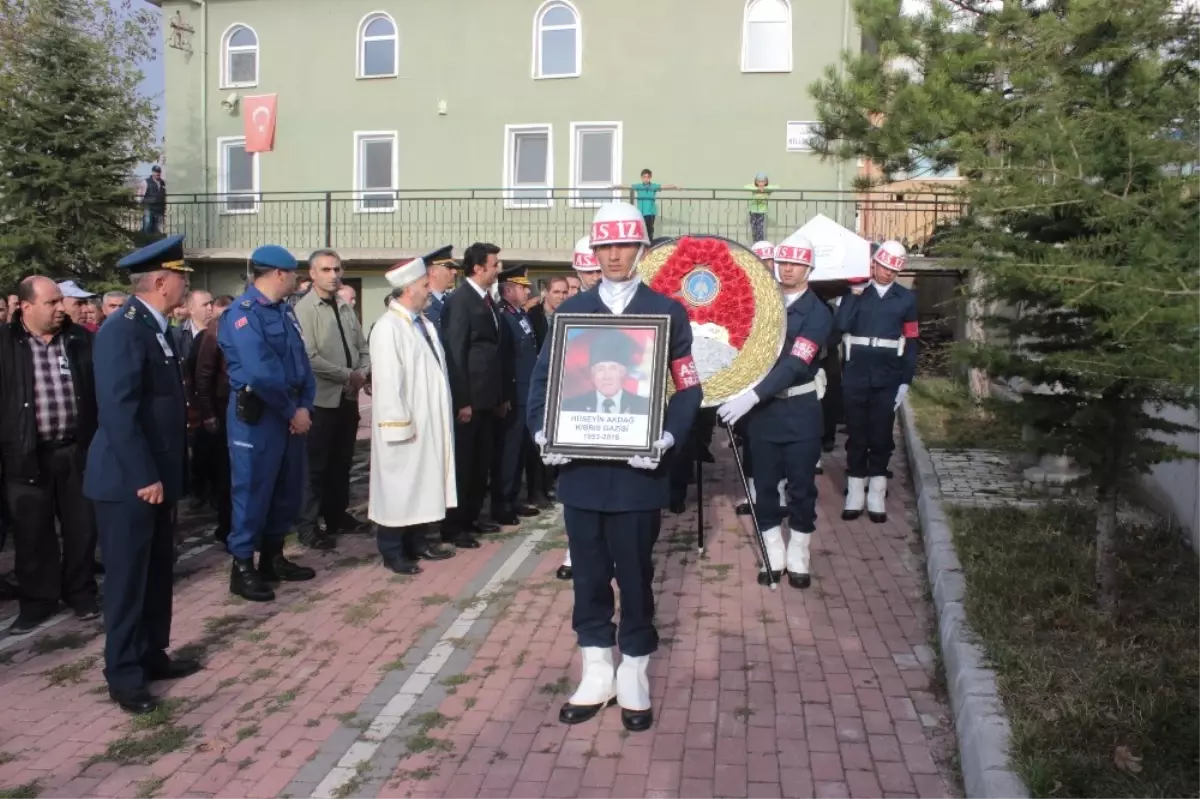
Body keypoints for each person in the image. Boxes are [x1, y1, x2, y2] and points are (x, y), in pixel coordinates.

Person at [528, 201, 702, 732]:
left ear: (641, 251)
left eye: (624, 245)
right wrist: (543, 433)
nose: (614, 255)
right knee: (587, 576)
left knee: (636, 573)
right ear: (593, 250)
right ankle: (596, 669)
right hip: (581, 474)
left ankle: (634, 670)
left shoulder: (668, 311)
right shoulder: (571, 311)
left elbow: (688, 386)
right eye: (605, 246)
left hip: (638, 474)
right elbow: (541, 384)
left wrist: (668, 437)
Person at [84, 235, 200, 714]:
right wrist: (143, 476)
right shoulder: (123, 329)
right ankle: (124, 673)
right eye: (181, 277)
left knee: (155, 574)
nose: (186, 285)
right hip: (129, 481)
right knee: (129, 580)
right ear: (159, 280)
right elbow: (118, 410)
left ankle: (151, 653)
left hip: (155, 476)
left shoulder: (154, 328)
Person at [718, 233, 832, 589]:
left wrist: (752, 395)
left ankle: (799, 552)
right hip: (763, 415)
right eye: (784, 262)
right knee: (764, 486)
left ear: (809, 268)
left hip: (798, 409)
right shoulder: (762, 304)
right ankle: (772, 550)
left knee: (801, 487)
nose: (788, 269)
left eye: (796, 264)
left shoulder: (818, 312)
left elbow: (797, 363)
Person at [218, 245, 318, 602]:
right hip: (259, 417)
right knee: (252, 491)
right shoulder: (243, 314)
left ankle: (273, 558)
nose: (296, 278)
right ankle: (242, 566)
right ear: (279, 274)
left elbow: (301, 366)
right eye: (293, 273)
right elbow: (261, 373)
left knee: (286, 490)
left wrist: (304, 405)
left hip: (290, 414)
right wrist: (293, 412)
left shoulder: (284, 313)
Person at [0, 277, 100, 633]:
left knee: (81, 527)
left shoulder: (80, 340)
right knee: (32, 532)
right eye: (52, 302)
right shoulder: (6, 344)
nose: (61, 308)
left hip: (76, 450)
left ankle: (81, 591)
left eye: (62, 301)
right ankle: (38, 601)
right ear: (26, 307)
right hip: (26, 455)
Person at [369, 259, 458, 574]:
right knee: (399, 487)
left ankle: (418, 541)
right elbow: (389, 384)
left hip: (428, 422)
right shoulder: (387, 328)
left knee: (422, 485)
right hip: (405, 425)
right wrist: (398, 425)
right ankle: (392, 549)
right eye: (423, 286)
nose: (428, 292)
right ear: (408, 289)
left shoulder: (423, 324)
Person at [293, 249, 371, 549]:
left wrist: (362, 372)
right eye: (326, 270)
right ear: (312, 274)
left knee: (342, 462)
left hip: (347, 398)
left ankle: (337, 516)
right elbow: (309, 357)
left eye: (337, 269)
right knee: (315, 466)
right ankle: (308, 525)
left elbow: (361, 345)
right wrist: (345, 375)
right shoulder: (305, 309)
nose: (334, 275)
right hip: (321, 400)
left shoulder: (345, 306)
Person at [836, 240, 918, 523]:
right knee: (857, 435)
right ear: (875, 264)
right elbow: (841, 326)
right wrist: (855, 294)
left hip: (888, 375)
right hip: (856, 373)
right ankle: (855, 491)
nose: (888, 274)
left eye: (894, 270)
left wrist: (906, 380)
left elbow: (912, 341)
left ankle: (877, 491)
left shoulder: (906, 299)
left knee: (881, 435)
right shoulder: (857, 292)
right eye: (884, 267)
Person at [440, 241, 509, 547]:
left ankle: (472, 517)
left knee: (481, 463)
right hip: (470, 400)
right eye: (494, 264)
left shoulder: (487, 300)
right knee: (464, 465)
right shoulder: (460, 300)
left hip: (488, 398)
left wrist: (499, 395)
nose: (499, 269)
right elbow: (456, 352)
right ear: (478, 267)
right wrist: (462, 399)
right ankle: (455, 527)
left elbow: (494, 350)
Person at [491, 266, 542, 526]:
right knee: (508, 453)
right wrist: (504, 395)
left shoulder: (520, 314)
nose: (528, 290)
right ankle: (502, 504)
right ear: (508, 289)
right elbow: (504, 360)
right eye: (522, 287)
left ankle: (513, 497)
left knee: (521, 451)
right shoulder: (505, 316)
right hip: (514, 393)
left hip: (527, 392)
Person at [194, 295, 235, 546]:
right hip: (222, 409)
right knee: (226, 474)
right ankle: (227, 527)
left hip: (246, 410)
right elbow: (203, 374)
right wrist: (208, 413)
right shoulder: (216, 329)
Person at [561, 333, 651, 414]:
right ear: (592, 373)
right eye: (600, 369)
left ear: (623, 372)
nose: (606, 376)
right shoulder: (571, 406)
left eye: (613, 369)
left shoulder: (644, 407)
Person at [614, 169, 680, 241]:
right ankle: (642, 244)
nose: (646, 179)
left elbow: (664, 186)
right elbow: (627, 186)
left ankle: (649, 245)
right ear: (642, 178)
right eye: (644, 177)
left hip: (650, 212)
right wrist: (615, 186)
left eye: (648, 177)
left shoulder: (653, 186)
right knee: (641, 230)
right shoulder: (639, 186)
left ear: (650, 177)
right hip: (641, 213)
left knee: (649, 230)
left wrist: (675, 186)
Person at [423, 245, 459, 330]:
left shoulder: (454, 300)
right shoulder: (422, 303)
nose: (454, 271)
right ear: (433, 272)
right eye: (449, 267)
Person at [527, 275, 567, 349]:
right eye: (556, 292)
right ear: (546, 292)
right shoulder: (532, 315)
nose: (561, 297)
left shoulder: (570, 315)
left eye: (564, 292)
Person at [744, 173, 779, 243]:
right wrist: (757, 188)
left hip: (761, 212)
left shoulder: (767, 190)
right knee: (754, 229)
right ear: (756, 182)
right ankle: (755, 243)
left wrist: (765, 188)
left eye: (763, 181)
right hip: (753, 211)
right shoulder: (754, 189)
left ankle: (760, 244)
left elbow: (777, 187)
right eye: (759, 181)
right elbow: (745, 186)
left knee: (760, 230)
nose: (761, 183)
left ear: (766, 182)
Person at [141, 165, 167, 234]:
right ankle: (146, 243)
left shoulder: (163, 183)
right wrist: (150, 201)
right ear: (152, 172)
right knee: (147, 228)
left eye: (158, 172)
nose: (157, 173)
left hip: (160, 210)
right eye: (155, 172)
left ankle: (156, 243)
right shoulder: (145, 182)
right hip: (149, 209)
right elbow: (141, 196)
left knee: (158, 230)